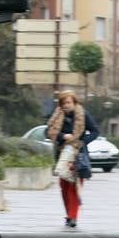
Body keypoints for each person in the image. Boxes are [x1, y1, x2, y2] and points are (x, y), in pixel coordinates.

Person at [45, 90, 99, 228]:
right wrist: (63, 136)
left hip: (78, 155)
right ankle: (69, 214)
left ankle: (73, 216)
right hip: (63, 154)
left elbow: (95, 131)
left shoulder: (83, 114)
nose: (66, 105)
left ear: (74, 103)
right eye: (63, 103)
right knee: (64, 186)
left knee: (74, 186)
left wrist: (82, 142)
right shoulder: (58, 115)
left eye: (68, 102)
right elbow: (49, 132)